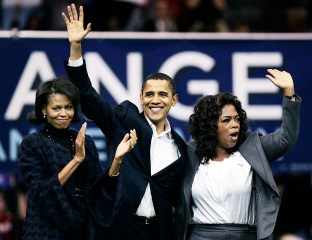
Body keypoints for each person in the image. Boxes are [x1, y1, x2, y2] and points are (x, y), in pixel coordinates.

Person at [61, 4, 188, 240]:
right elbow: (88, 96)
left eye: (163, 94)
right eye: (149, 94)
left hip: (161, 232)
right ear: (141, 98)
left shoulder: (181, 147)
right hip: (122, 230)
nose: (155, 100)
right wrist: (76, 48)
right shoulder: (125, 120)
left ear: (174, 100)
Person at [175, 69, 301, 240]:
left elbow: (286, 138)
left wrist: (289, 94)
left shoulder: (253, 147)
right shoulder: (190, 153)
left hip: (245, 235)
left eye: (237, 119)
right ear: (210, 126)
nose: (235, 124)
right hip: (200, 235)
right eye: (226, 120)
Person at [18, 77, 137, 240]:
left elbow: (99, 192)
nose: (63, 113)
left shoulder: (85, 141)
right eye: (56, 108)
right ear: (44, 109)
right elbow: (40, 192)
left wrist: (117, 160)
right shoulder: (32, 143)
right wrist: (76, 160)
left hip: (83, 230)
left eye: (68, 107)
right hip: (45, 230)